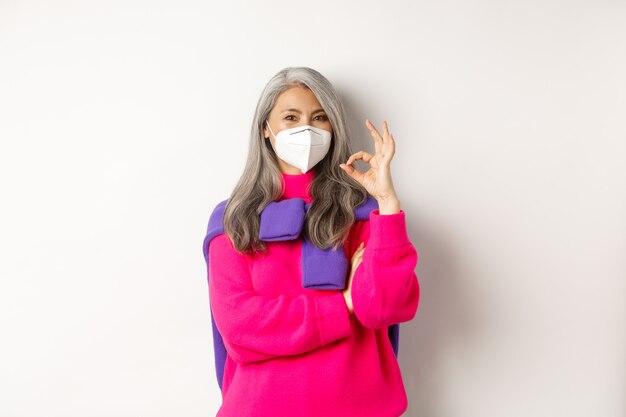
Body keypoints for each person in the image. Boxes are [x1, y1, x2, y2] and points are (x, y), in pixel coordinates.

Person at [203, 66, 420, 417]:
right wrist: (342, 305)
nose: (306, 128)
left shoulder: (361, 213)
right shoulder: (233, 220)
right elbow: (240, 327)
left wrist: (388, 204)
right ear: (266, 130)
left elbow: (384, 306)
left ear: (333, 127)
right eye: (291, 117)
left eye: (319, 118)